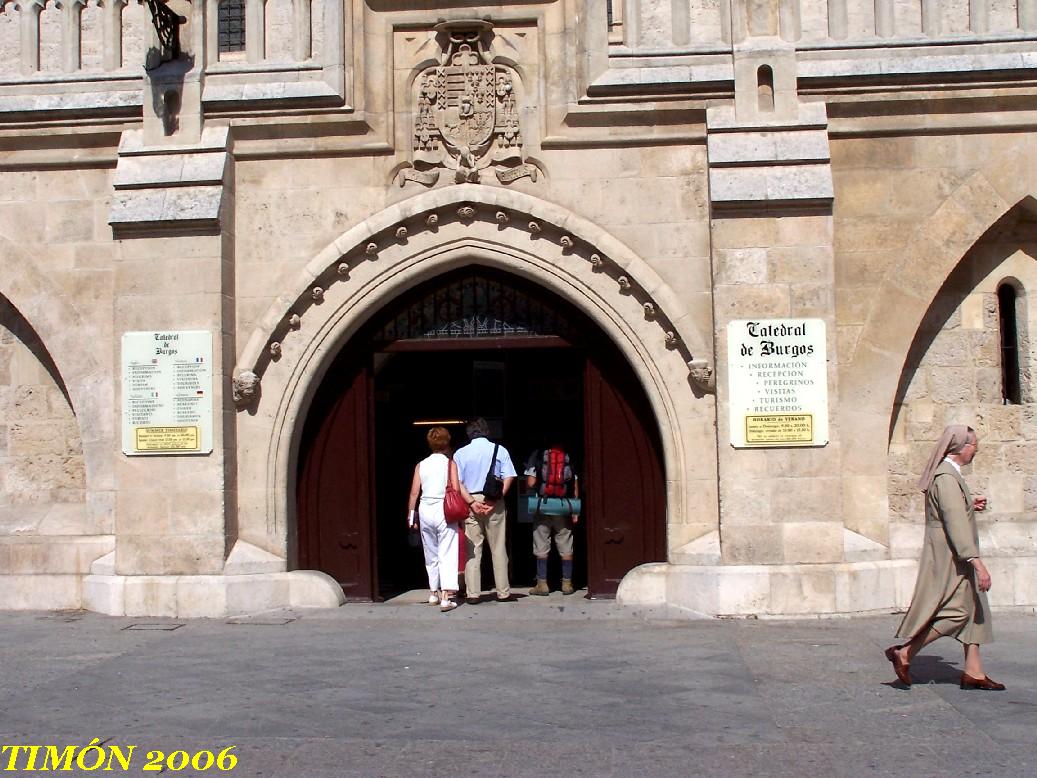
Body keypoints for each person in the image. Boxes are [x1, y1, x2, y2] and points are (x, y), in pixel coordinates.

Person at [885, 424, 1004, 690]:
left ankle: (974, 672)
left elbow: (949, 511)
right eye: (974, 445)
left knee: (974, 607)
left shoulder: (949, 476)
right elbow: (954, 523)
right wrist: (977, 562)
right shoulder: (947, 477)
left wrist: (969, 505)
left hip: (954, 553)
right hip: (952, 556)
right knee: (958, 611)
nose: (977, 450)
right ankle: (904, 653)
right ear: (961, 448)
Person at [407, 426, 476, 613]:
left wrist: (411, 516)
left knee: (431, 553)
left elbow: (414, 492)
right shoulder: (449, 464)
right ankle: (447, 596)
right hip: (443, 510)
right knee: (447, 552)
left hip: (425, 509)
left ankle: (432, 592)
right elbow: (455, 487)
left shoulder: (421, 465)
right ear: (447, 442)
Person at [453, 417, 517, 603]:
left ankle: (473, 594)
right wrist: (496, 499)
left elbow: (458, 484)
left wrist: (472, 503)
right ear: (487, 432)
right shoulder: (500, 450)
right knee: (498, 548)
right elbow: (510, 476)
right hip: (494, 502)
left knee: (473, 549)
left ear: (469, 433)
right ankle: (503, 592)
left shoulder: (460, 453)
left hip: (471, 501)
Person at [524, 443, 580, 596]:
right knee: (566, 543)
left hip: (542, 505)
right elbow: (574, 485)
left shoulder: (538, 454)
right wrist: (575, 510)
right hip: (563, 506)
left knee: (541, 544)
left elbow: (530, 482)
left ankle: (542, 585)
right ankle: (567, 584)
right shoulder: (568, 454)